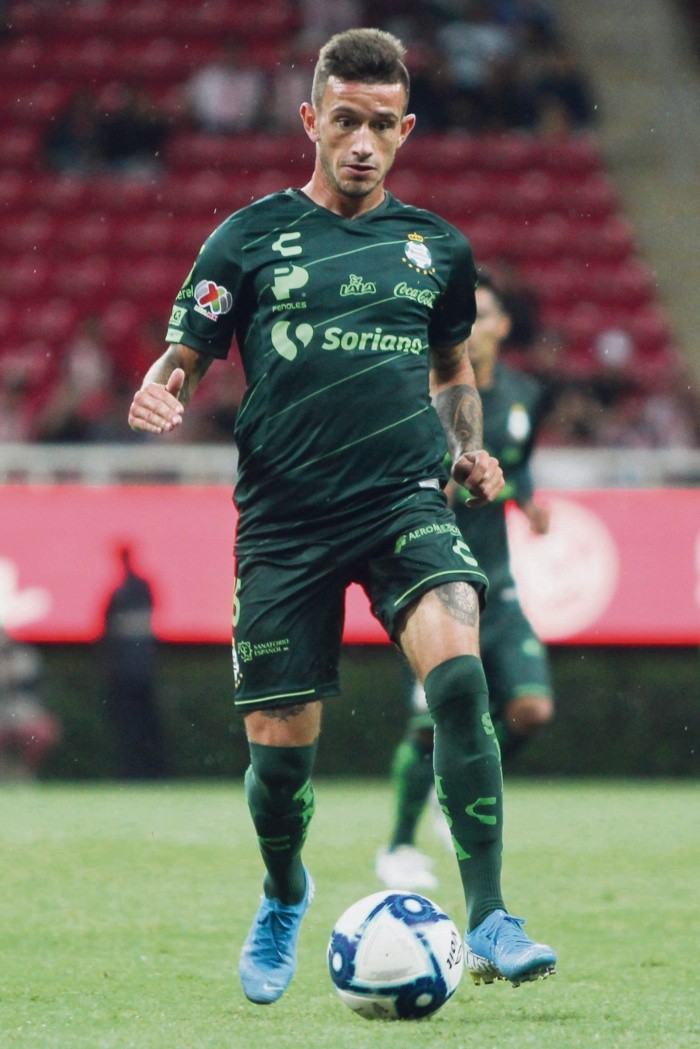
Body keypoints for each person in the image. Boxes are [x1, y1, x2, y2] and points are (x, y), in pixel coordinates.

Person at [127, 28, 556, 1002]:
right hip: (284, 522)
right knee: (280, 759)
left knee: (461, 676)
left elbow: (452, 367)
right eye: (346, 121)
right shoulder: (247, 238)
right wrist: (161, 384)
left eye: (381, 125)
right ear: (311, 120)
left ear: (406, 130)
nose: (363, 142)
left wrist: (466, 446)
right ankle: (285, 888)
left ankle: (491, 913)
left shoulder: (436, 249)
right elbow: (184, 352)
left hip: (403, 497)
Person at [376, 269, 554, 891]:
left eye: (482, 316)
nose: (470, 329)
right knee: (430, 728)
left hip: (496, 586)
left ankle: (453, 783)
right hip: (437, 581)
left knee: (530, 709)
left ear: (503, 326)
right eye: (463, 317)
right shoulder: (423, 393)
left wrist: (527, 499)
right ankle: (398, 846)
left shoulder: (525, 394)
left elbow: (519, 463)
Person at [101, 544, 167, 780]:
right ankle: (139, 770)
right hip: (133, 669)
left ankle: (147, 770)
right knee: (134, 724)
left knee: (141, 723)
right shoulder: (128, 589)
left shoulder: (130, 590)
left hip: (135, 669)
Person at [0, 625, 61, 780]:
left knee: (41, 733)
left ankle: (24, 774)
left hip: (23, 711)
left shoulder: (24, 656)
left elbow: (27, 684)